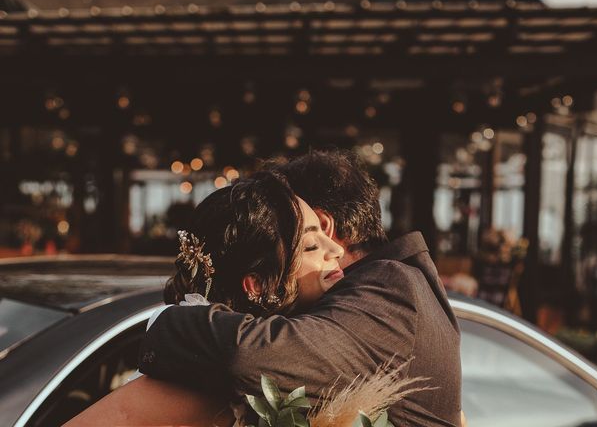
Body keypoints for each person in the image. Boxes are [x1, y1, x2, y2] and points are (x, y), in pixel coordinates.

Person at [71, 150, 462, 426]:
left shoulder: (391, 288)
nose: (330, 252)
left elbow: (250, 353)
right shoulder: (374, 297)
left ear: (323, 224)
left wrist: (166, 319)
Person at [66, 170, 345, 426]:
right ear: (257, 285)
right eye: (310, 246)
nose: (336, 250)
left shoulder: (269, 350)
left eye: (324, 233)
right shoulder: (203, 381)